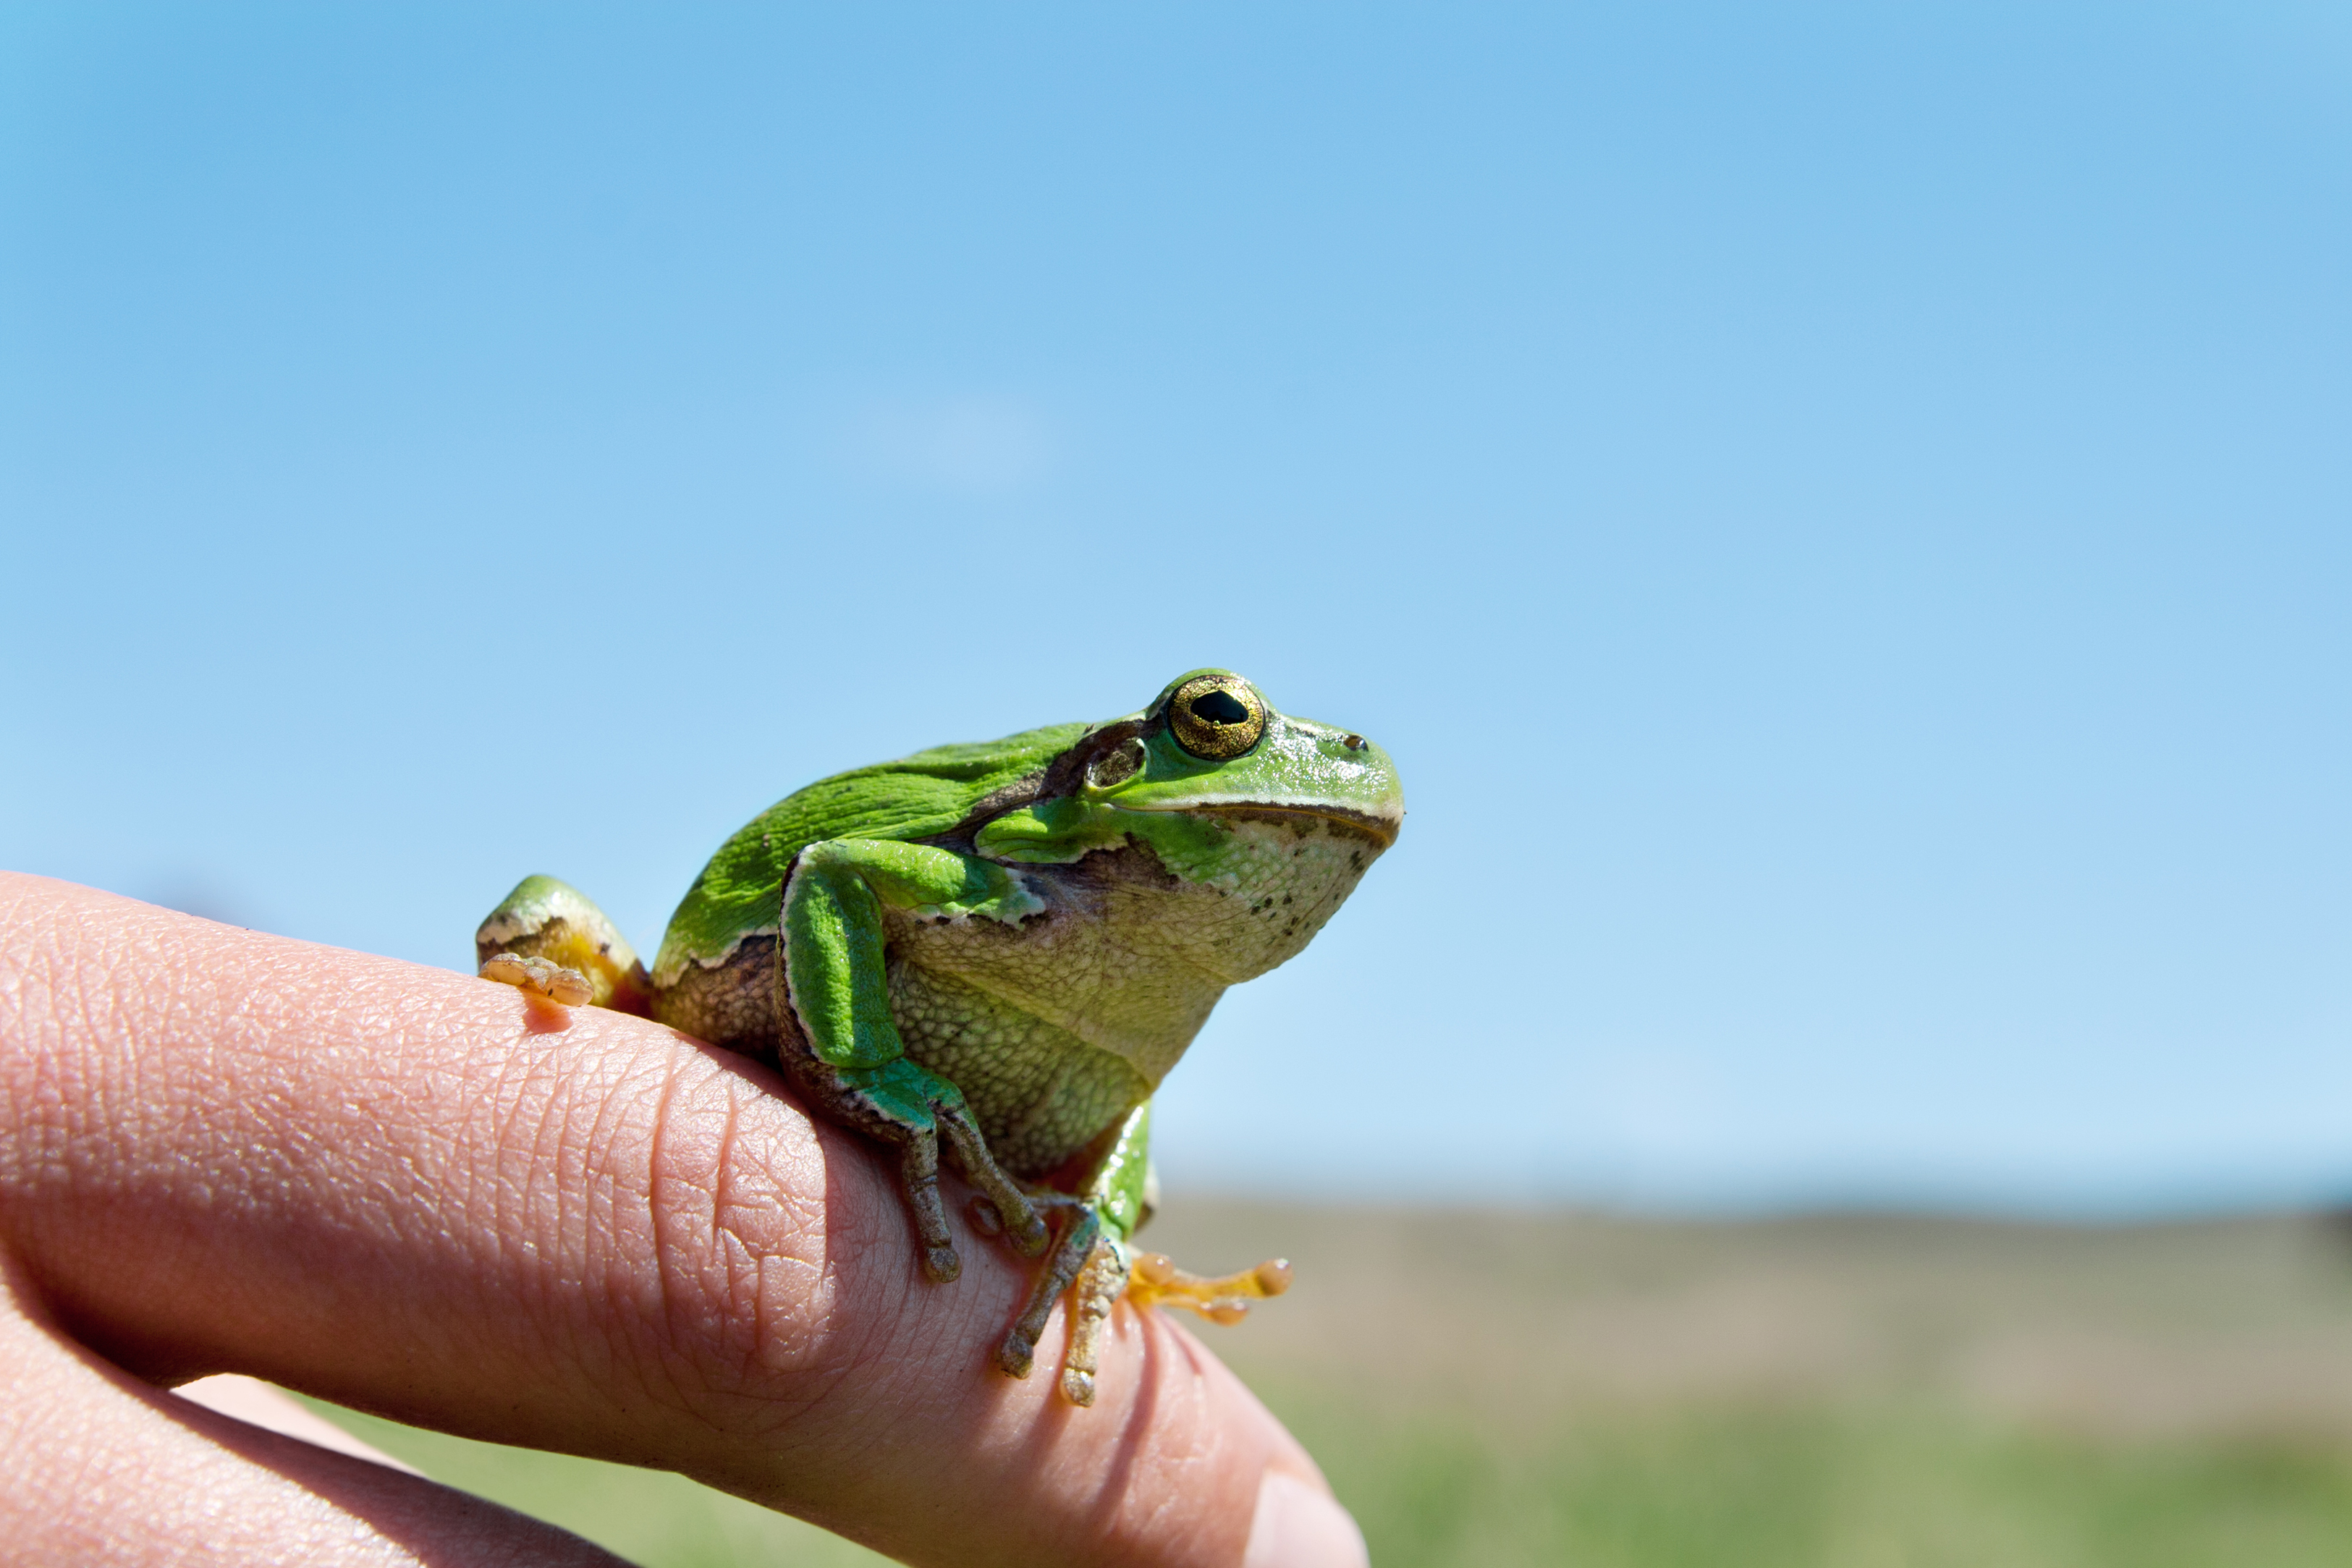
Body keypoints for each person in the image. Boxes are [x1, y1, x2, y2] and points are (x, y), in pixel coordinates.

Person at [0, 873, 1366, 1567]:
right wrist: (871, 1073)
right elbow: (831, 870)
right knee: (553, 924)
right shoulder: (979, 852)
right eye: (1217, 725)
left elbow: (1118, 1120)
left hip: (1017, 1157)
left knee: (1110, 1207)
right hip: (709, 995)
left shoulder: (1128, 1013)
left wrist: (1100, 1221)